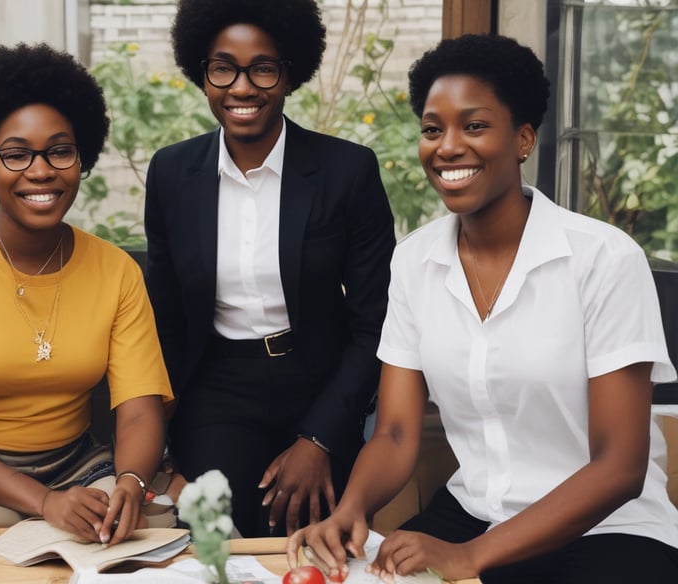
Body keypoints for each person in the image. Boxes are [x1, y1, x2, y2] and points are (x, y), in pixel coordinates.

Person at [286, 34, 678, 583]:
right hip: (472, 514)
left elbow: (619, 467)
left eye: (473, 126)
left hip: (608, 531)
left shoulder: (604, 259)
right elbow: (396, 433)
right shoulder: (415, 261)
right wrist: (350, 510)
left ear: (522, 139)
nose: (446, 147)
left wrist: (471, 556)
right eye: (431, 129)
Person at [144, 0, 396, 537]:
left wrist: (321, 437)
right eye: (223, 67)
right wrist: (158, 436)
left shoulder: (347, 170)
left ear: (289, 75)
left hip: (322, 384)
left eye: (263, 67)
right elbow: (164, 315)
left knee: (316, 539)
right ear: (202, 74)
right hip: (217, 391)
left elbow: (376, 319)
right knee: (223, 540)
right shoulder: (171, 172)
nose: (242, 87)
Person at [0, 43, 174, 546]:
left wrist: (130, 482)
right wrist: (42, 502)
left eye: (59, 150)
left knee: (147, 526)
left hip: (72, 465)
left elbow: (140, 409)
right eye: (16, 154)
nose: (41, 170)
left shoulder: (115, 270)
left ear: (81, 158)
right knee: (15, 530)